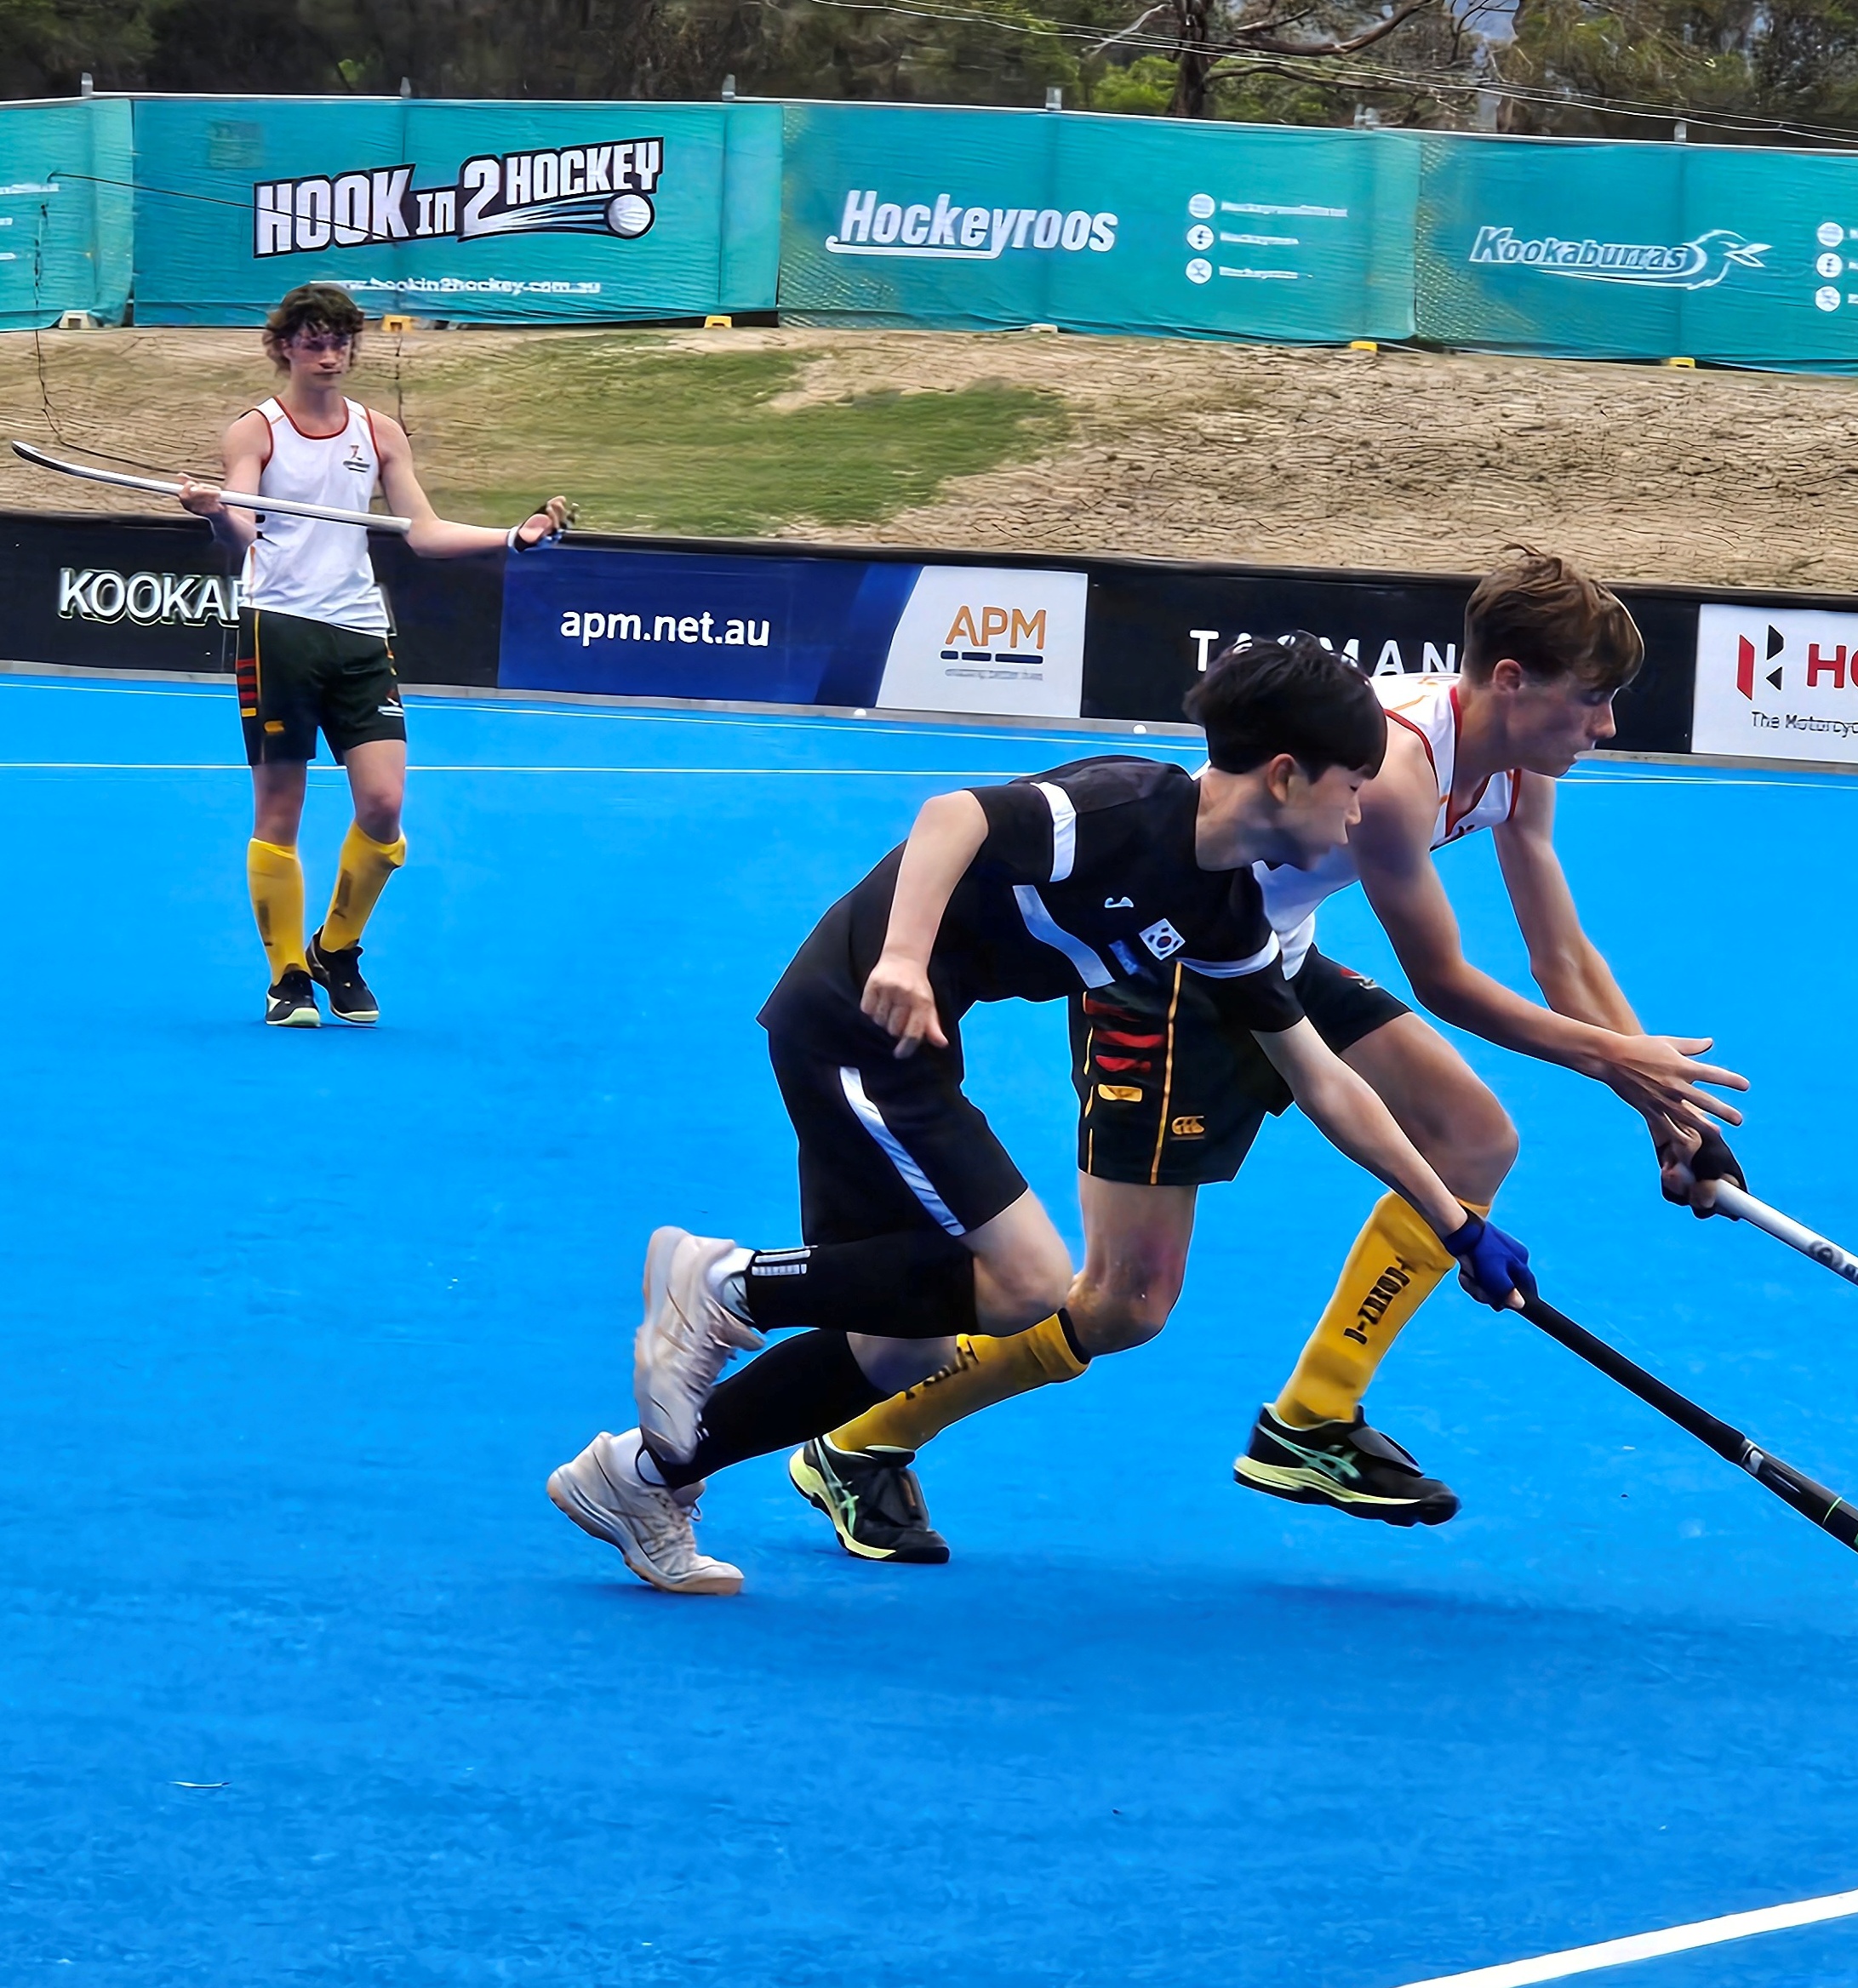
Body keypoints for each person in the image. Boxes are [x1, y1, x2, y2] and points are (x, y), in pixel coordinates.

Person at [789, 552, 1749, 1563]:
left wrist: (1669, 1113)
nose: (1607, 725)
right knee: (1125, 1303)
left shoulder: (1521, 769)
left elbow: (1562, 956)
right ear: (1512, 680)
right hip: (1169, 971)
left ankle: (1314, 1418)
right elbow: (1446, 980)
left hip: (1269, 955)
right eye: (1591, 698)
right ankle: (858, 1439)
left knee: (1474, 1136)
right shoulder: (1401, 772)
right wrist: (1625, 1073)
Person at [546, 635, 1538, 1596]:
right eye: (1353, 784)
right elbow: (953, 817)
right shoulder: (1131, 807)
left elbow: (1322, 1078)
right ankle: (725, 1284)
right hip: (860, 1019)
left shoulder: (1227, 907)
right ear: (1285, 776)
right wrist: (903, 957)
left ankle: (640, 1477)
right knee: (1025, 1277)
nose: (1363, 808)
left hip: (913, 1045)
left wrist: (1454, 1223)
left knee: (902, 1345)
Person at [180, 281, 568, 1027]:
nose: (329, 355)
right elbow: (243, 533)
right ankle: (286, 977)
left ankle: (335, 948)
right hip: (278, 626)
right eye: (314, 342)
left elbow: (422, 532)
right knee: (280, 809)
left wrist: (511, 539)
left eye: (340, 342)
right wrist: (216, 514)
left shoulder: (379, 432)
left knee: (385, 807)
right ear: (284, 347)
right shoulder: (255, 433)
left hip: (359, 630)